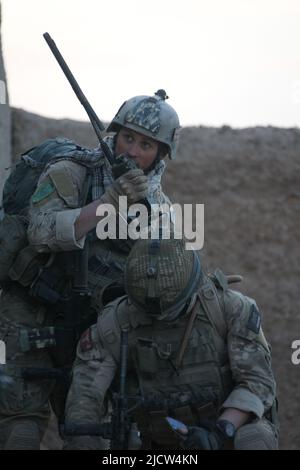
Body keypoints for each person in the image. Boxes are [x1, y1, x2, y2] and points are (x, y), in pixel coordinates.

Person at [0, 90, 180, 449]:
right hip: (32, 310)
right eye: (128, 137)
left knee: (88, 436)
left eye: (146, 144)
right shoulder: (70, 171)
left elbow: (163, 272)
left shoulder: (160, 208)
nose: (132, 150)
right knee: (20, 429)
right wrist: (107, 203)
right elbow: (41, 232)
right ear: (114, 134)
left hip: (94, 330)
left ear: (161, 154)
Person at [63, 237, 279, 450]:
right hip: (153, 442)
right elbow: (85, 399)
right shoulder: (112, 325)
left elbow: (257, 382)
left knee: (255, 438)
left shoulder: (230, 309)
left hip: (224, 434)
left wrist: (219, 433)